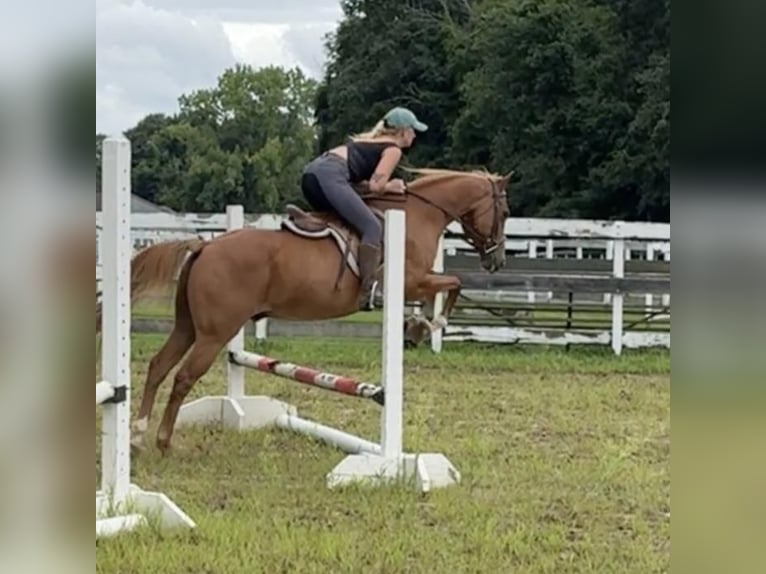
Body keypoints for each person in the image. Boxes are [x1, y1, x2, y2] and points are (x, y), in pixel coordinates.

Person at [300, 106, 428, 310]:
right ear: (402, 131)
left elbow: (362, 186)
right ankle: (367, 290)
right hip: (330, 177)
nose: (414, 136)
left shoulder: (367, 141)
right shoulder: (393, 149)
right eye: (413, 131)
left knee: (349, 218)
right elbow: (376, 186)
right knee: (373, 227)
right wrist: (391, 186)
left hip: (312, 176)